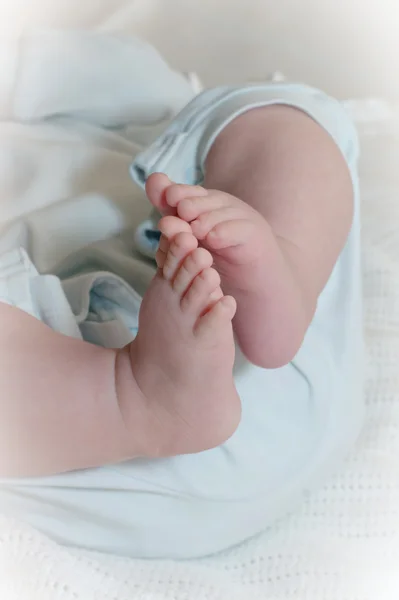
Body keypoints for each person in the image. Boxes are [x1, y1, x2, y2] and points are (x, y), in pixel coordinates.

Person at [0, 40, 364, 559]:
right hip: (91, 428)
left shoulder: (49, 78)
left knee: (277, 116)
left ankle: (281, 268)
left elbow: (130, 79)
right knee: (281, 118)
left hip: (245, 296)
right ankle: (130, 395)